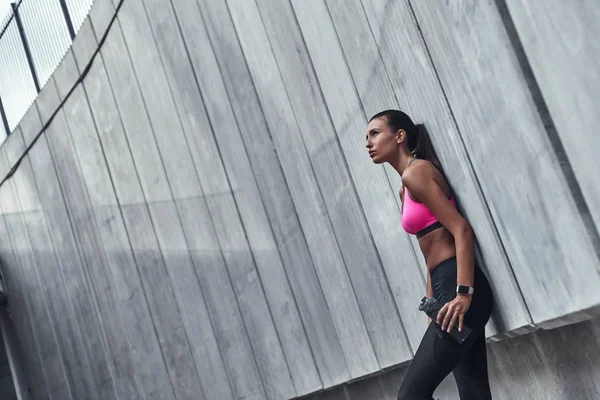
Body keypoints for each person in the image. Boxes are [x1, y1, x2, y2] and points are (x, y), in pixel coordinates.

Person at [365, 110, 494, 400]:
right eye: (367, 137)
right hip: (443, 290)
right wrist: (433, 306)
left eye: (374, 133)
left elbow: (461, 230)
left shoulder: (416, 172)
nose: (368, 142)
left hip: (459, 289)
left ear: (399, 136)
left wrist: (463, 294)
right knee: (474, 394)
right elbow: (430, 253)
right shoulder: (405, 186)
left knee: (410, 396)